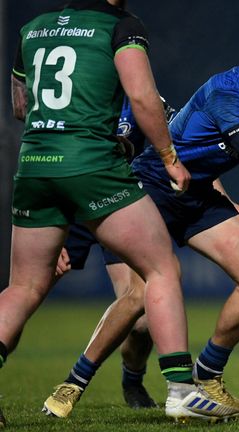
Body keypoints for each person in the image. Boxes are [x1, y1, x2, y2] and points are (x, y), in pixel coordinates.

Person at [40, 16, 239, 420]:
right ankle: (75, 382)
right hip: (148, 190)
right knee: (137, 308)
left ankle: (208, 375)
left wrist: (225, 198)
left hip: (197, 195)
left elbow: (201, 153)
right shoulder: (228, 94)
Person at [3, 0, 229, 425]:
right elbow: (142, 97)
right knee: (161, 267)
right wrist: (168, 157)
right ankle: (181, 390)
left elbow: (20, 106)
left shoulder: (33, 29)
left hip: (34, 163)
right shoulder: (121, 26)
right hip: (91, 163)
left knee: (24, 288)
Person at [45, 98, 175, 412]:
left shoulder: (144, 100)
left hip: (119, 205)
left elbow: (183, 143)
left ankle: (130, 381)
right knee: (27, 291)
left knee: (142, 314)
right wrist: (54, 229)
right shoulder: (72, 99)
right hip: (71, 204)